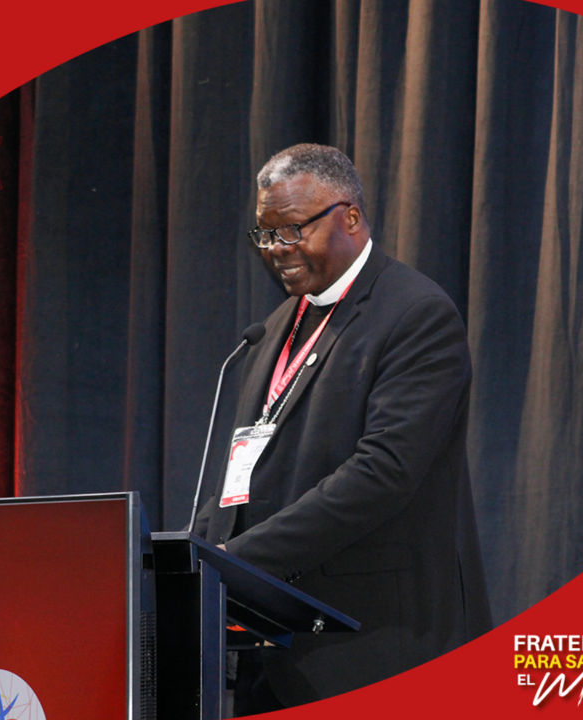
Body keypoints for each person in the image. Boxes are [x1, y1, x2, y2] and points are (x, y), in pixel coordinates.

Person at [194, 143, 492, 714]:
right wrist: (196, 554)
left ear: (349, 217)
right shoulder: (277, 325)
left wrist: (237, 562)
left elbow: (383, 474)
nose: (276, 250)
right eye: (265, 235)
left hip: (376, 648)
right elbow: (247, 472)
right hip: (273, 648)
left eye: (291, 230)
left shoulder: (415, 313)